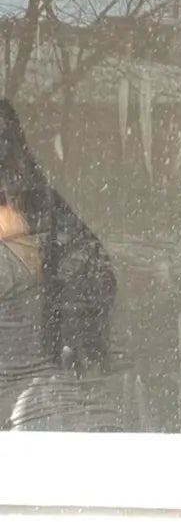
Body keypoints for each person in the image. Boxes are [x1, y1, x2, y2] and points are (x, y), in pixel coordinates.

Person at [0, 97, 121, 431]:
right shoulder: (44, 215)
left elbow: (94, 278)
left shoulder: (42, 215)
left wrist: (70, 338)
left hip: (42, 407)